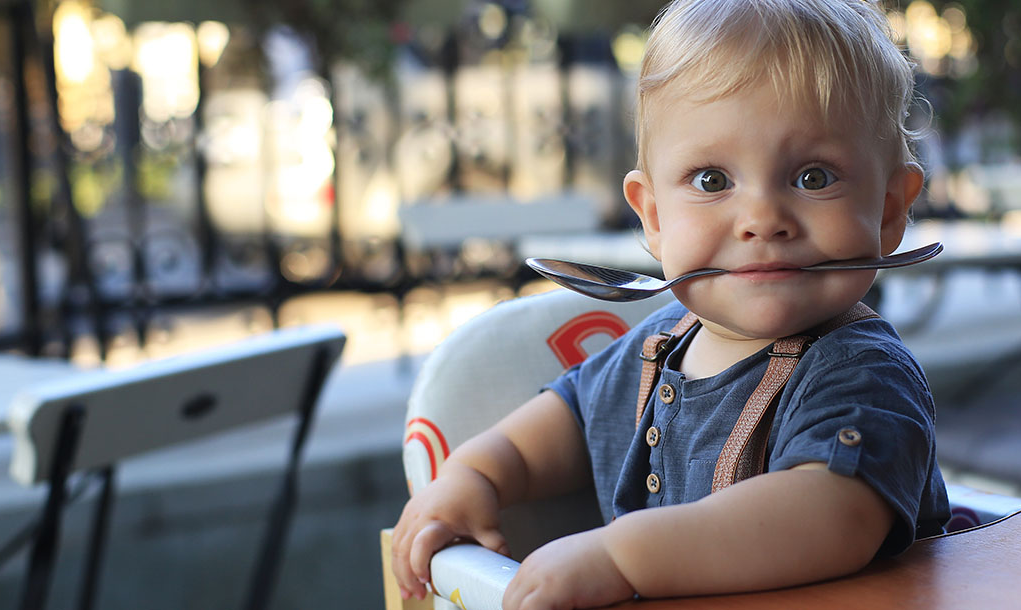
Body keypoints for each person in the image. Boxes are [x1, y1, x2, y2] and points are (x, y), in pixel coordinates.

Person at [392, 0, 950, 607]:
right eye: (712, 180)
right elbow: (564, 424)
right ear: (654, 215)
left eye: (814, 177)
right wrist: (474, 476)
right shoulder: (655, 348)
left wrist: (619, 555)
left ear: (892, 208)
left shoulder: (860, 372)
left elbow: (831, 516)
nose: (763, 219)